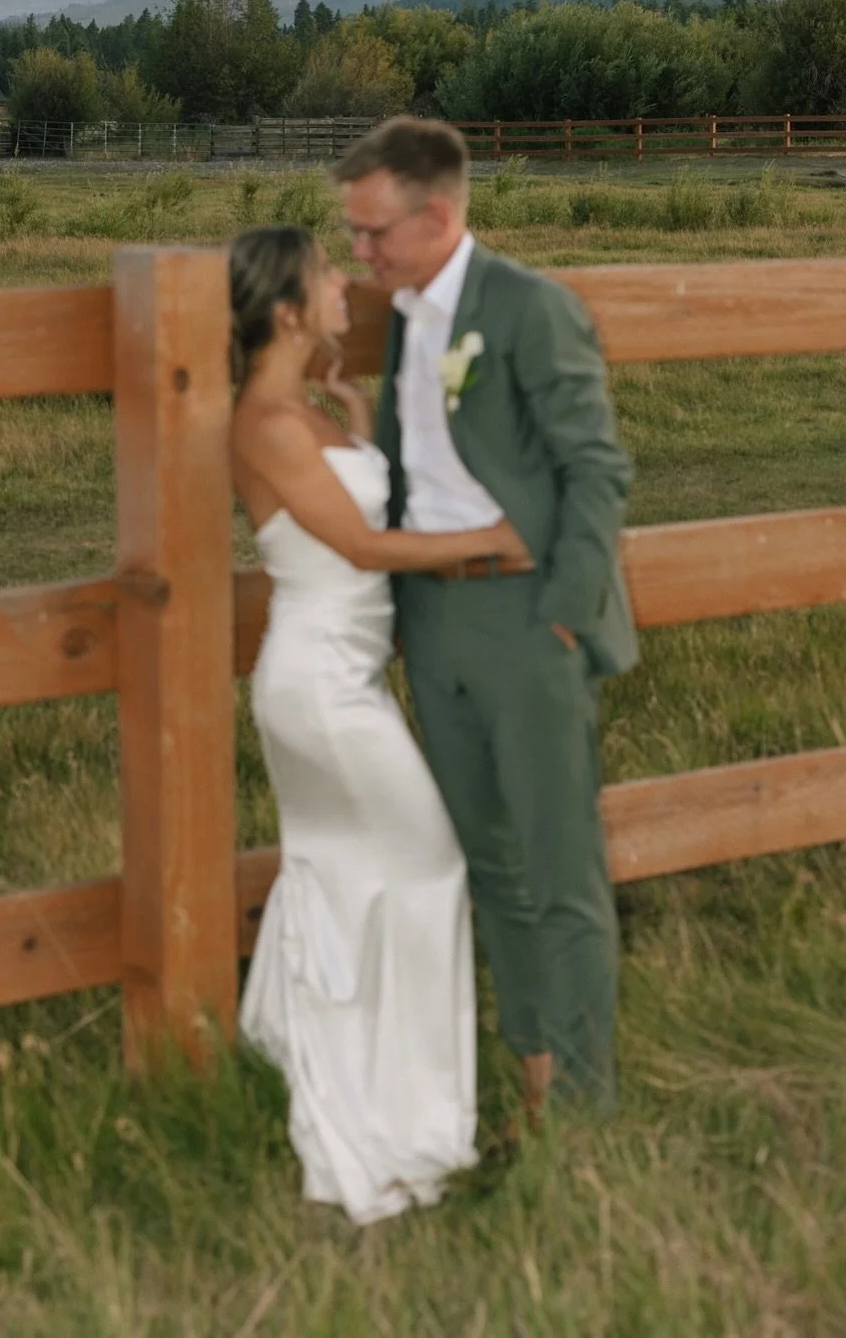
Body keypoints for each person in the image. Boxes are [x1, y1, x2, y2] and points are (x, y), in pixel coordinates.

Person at [335, 116, 638, 1122]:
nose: (359, 252)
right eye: (351, 234)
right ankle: (534, 1078)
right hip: (436, 623)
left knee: (559, 869)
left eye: (373, 232)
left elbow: (595, 469)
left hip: (525, 622)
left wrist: (562, 613)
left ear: (436, 214)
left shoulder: (528, 308)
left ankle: (590, 1111)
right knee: (491, 865)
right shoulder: (410, 314)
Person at [232, 224, 532, 1226]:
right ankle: (395, 1124)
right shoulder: (266, 421)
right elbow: (358, 543)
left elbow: (354, 507)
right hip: (318, 686)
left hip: (345, 677)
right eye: (326, 275)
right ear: (284, 308)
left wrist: (356, 428)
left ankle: (358, 1083)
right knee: (430, 860)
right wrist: (490, 538)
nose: (344, 286)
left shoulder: (308, 412)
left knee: (360, 872)